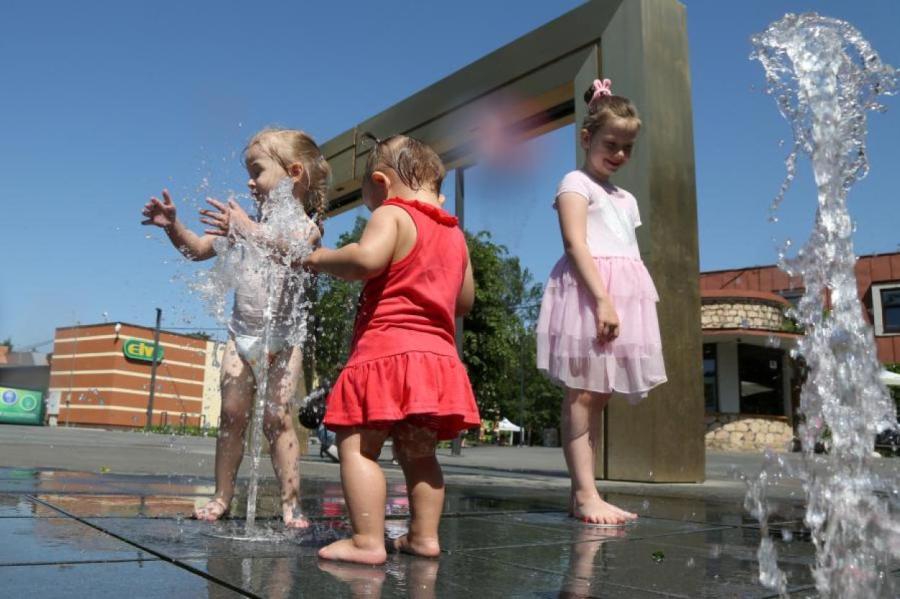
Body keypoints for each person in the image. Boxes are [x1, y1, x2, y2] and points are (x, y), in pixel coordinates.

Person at [141, 128, 331, 528]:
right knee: (231, 415)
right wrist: (173, 227)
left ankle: (291, 503)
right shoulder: (238, 223)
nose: (249, 181)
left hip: (285, 339)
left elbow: (292, 251)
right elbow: (197, 250)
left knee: (277, 419)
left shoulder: (307, 226)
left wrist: (244, 227)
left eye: (257, 171)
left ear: (293, 172)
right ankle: (222, 496)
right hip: (241, 336)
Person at [304, 134, 479, 564]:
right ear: (437, 190)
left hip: (385, 354)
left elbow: (365, 260)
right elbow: (464, 301)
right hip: (437, 361)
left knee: (358, 448)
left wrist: (317, 258)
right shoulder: (455, 236)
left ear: (380, 184)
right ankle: (423, 537)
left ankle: (366, 541)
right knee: (419, 453)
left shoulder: (393, 214)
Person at [536, 79, 667, 526]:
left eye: (628, 147)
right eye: (612, 144)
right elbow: (575, 243)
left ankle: (584, 493)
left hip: (619, 295)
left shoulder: (625, 199)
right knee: (582, 394)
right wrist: (604, 301)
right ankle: (585, 493)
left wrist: (624, 303)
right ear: (586, 137)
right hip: (591, 294)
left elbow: (627, 249)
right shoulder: (575, 183)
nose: (620, 155)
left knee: (599, 395)